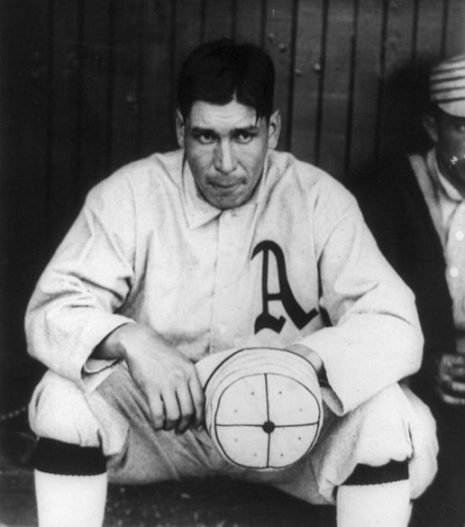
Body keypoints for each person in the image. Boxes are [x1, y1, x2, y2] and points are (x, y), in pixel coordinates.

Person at [25, 38, 437, 527]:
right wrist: (131, 339)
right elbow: (51, 309)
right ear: (181, 130)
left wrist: (308, 363)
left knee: (388, 414)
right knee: (62, 398)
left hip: (290, 431)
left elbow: (395, 323)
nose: (224, 163)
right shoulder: (129, 194)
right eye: (205, 137)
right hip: (163, 427)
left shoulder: (318, 200)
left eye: (244, 136)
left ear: (273, 129)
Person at [351, 53, 465, 527]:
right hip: (417, 381)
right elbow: (363, 315)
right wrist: (432, 360)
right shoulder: (385, 191)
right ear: (433, 127)